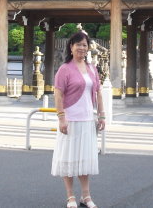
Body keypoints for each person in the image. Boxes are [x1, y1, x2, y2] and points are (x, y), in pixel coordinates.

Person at [51, 31, 105, 208]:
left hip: (87, 119)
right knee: (68, 158)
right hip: (70, 119)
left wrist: (101, 115)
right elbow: (58, 94)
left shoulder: (91, 68)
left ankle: (86, 196)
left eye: (85, 44)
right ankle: (70, 197)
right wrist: (61, 118)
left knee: (84, 159)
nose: (82, 47)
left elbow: (98, 92)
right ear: (71, 47)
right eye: (78, 44)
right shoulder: (65, 69)